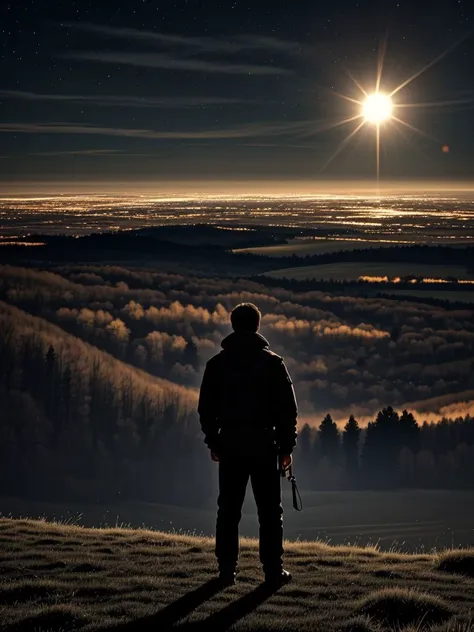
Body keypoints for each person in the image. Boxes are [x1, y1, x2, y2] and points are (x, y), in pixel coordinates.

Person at [198, 302, 298, 586]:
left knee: (228, 510)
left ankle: (226, 572)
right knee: (270, 511)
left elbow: (205, 409)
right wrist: (286, 447)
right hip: (265, 446)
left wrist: (213, 441)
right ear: (257, 325)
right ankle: (273, 572)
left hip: (230, 444)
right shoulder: (273, 364)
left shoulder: (216, 364)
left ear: (232, 325)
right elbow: (287, 411)